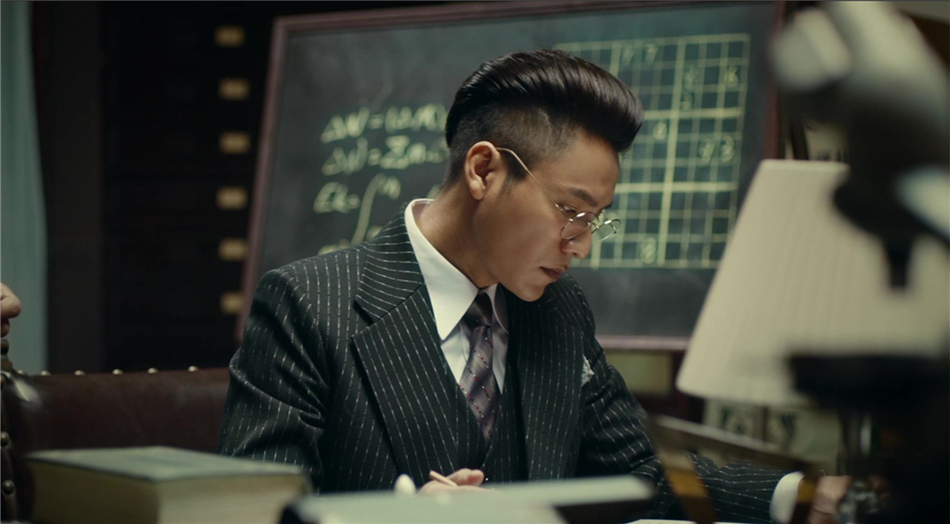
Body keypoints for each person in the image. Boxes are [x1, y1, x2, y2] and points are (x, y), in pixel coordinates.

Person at [219, 49, 847, 523]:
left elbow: (638, 473)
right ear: (483, 169)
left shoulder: (558, 310)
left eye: (596, 219)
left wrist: (800, 497)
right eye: (571, 211)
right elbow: (255, 511)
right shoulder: (309, 306)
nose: (582, 244)